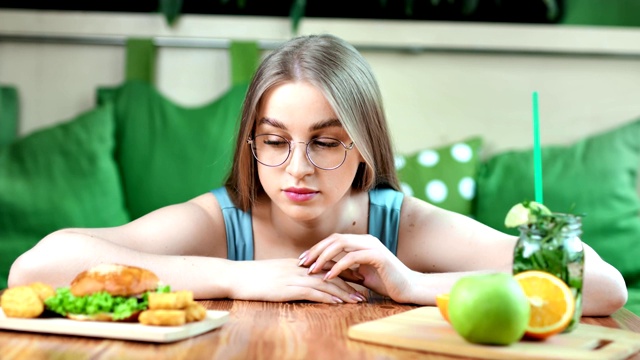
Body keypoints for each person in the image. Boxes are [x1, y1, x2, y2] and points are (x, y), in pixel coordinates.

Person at [9, 34, 626, 315]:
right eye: (275, 142)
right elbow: (34, 268)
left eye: (326, 143)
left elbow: (601, 285)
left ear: (364, 148)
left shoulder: (401, 224)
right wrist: (242, 278)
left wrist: (411, 285)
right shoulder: (220, 220)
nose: (296, 168)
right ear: (251, 145)